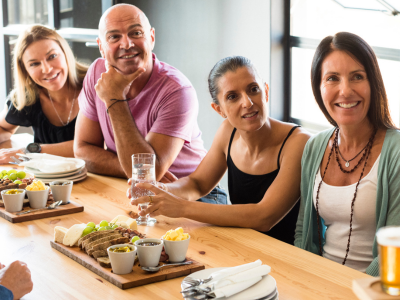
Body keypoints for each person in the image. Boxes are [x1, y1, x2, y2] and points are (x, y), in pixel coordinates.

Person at [129, 56, 311, 245]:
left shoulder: (298, 142)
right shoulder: (228, 131)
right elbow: (197, 184)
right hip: (246, 246)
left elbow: (264, 217)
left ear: (265, 91)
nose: (247, 103)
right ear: (219, 110)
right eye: (233, 97)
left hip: (291, 256)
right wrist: (163, 190)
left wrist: (182, 207)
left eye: (253, 89)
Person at [74, 4, 212, 193]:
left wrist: (115, 99)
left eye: (136, 33)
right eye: (114, 37)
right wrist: (137, 173)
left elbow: (147, 174)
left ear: (151, 37)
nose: (127, 44)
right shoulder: (96, 74)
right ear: (101, 47)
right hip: (134, 188)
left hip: (193, 196)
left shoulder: (177, 90)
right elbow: (82, 150)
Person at [294, 32, 400, 276]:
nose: (345, 90)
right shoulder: (315, 146)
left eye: (357, 77)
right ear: (318, 88)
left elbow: (395, 247)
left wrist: (350, 291)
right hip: (320, 281)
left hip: (374, 288)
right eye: (332, 78)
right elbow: (303, 230)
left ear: (373, 83)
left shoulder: (396, 151)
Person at [0, 25, 88, 163]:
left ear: (65, 52)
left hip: (98, 179)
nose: (47, 69)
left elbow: (98, 145)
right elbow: (3, 128)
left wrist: (29, 151)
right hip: (45, 181)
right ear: (25, 70)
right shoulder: (27, 97)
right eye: (34, 64)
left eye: (52, 56)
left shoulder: (95, 84)